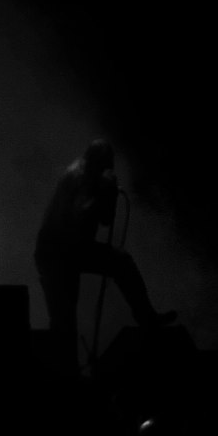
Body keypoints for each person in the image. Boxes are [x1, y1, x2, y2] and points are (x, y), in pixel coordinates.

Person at [35, 139, 176, 367]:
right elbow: (79, 214)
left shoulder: (93, 177)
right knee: (65, 320)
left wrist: (107, 194)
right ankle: (65, 373)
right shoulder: (79, 176)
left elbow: (105, 221)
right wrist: (103, 191)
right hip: (56, 253)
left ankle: (147, 319)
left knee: (120, 263)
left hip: (70, 250)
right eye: (105, 167)